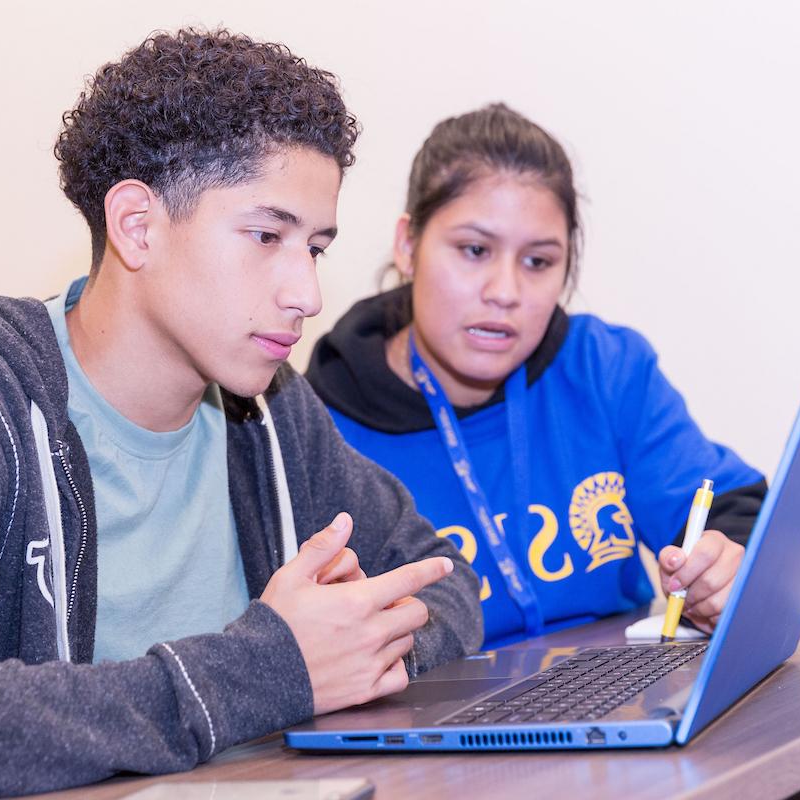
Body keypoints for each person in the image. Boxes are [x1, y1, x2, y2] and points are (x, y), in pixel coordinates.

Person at [0, 29, 482, 798]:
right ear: (136, 226)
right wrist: (271, 670)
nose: (307, 295)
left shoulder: (271, 413)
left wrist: (349, 650)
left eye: (315, 248)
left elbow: (446, 581)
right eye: (266, 236)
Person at [306, 103, 767, 648]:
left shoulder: (604, 368)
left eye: (538, 262)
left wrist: (722, 570)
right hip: (440, 722)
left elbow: (735, 510)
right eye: (474, 250)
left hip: (621, 705)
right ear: (408, 245)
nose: (505, 291)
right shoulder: (318, 428)